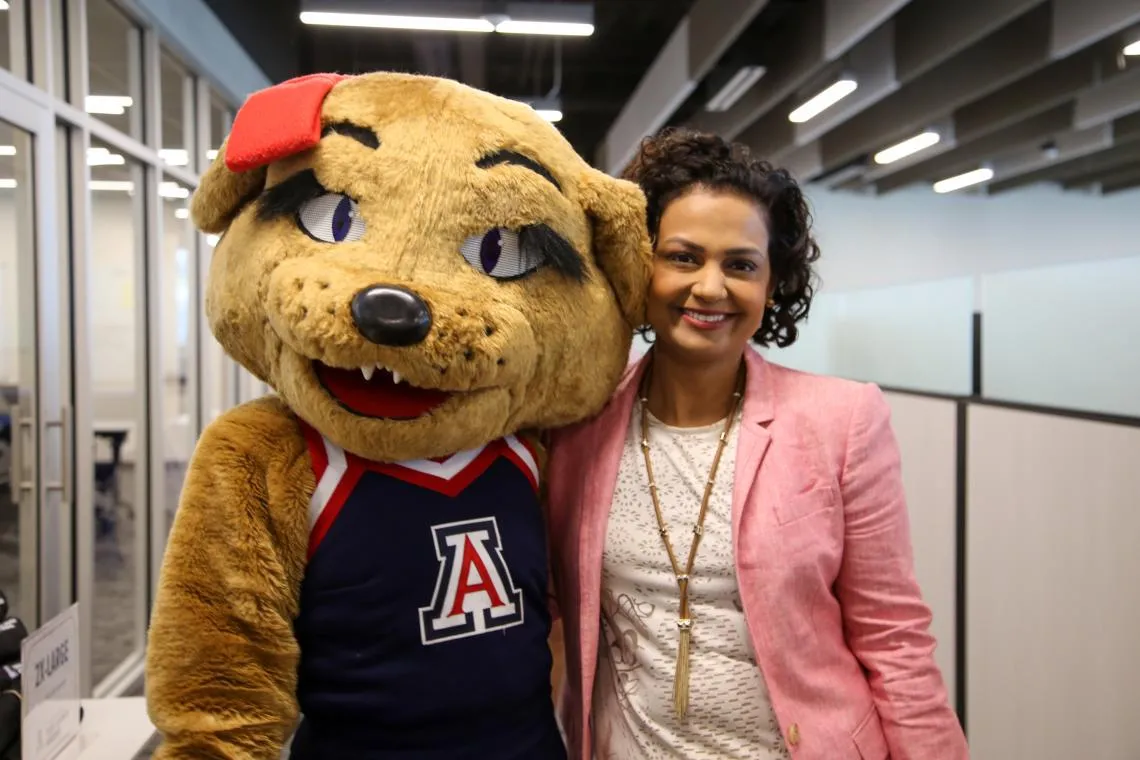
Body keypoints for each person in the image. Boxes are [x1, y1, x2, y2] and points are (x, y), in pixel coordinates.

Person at [546, 128, 968, 760]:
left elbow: (894, 640)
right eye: (684, 257)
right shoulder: (578, 423)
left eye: (740, 265)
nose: (710, 288)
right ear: (642, 264)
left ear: (772, 284)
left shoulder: (842, 421)